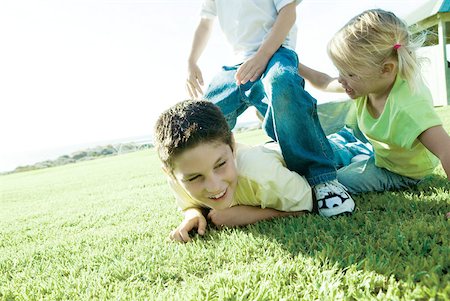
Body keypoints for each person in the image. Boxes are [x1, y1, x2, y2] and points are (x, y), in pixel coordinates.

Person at [185, 0, 354, 216]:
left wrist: (263, 55)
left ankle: (323, 180)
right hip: (238, 66)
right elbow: (205, 23)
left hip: (276, 53)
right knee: (203, 112)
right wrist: (191, 61)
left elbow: (288, 12)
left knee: (281, 82)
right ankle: (215, 185)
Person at [300, 9, 450, 194]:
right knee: (313, 153)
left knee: (332, 183)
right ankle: (358, 154)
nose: (340, 79)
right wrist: (292, 61)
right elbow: (324, 82)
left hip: (402, 172)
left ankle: (357, 157)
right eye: (340, 71)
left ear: (386, 69)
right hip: (380, 155)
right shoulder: (366, 84)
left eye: (349, 73)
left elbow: (446, 150)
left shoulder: (408, 108)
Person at [154, 100, 314, 243]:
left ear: (232, 145)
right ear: (170, 174)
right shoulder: (179, 175)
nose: (214, 186)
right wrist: (193, 214)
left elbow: (311, 203)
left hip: (335, 151)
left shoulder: (261, 174)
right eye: (195, 177)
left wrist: (248, 215)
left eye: (220, 164)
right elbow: (189, 205)